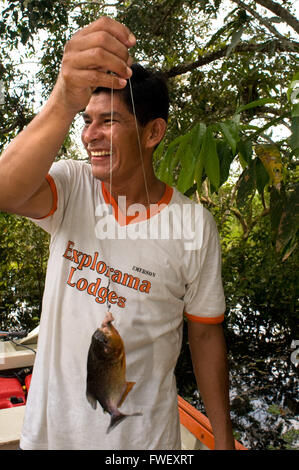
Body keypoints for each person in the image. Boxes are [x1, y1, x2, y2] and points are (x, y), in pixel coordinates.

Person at [0, 17, 235, 450]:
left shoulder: (194, 226)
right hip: (51, 438)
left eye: (108, 121)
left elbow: (204, 338)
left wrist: (223, 441)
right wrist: (64, 99)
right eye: (85, 121)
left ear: (153, 133)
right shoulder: (72, 187)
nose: (90, 135)